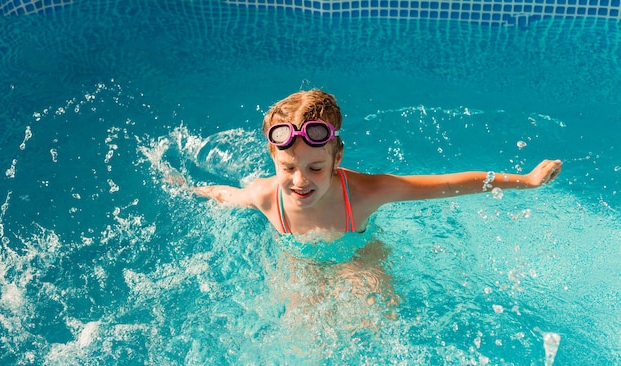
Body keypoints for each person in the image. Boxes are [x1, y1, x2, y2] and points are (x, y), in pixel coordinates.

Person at [188, 89, 562, 255]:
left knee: (373, 317)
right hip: (298, 261)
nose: (300, 180)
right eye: (288, 167)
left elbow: (448, 184)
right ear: (273, 158)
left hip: (358, 255)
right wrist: (188, 188)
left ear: (337, 160)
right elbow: (225, 195)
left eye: (315, 167)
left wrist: (525, 182)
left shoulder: (366, 193)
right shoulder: (266, 196)